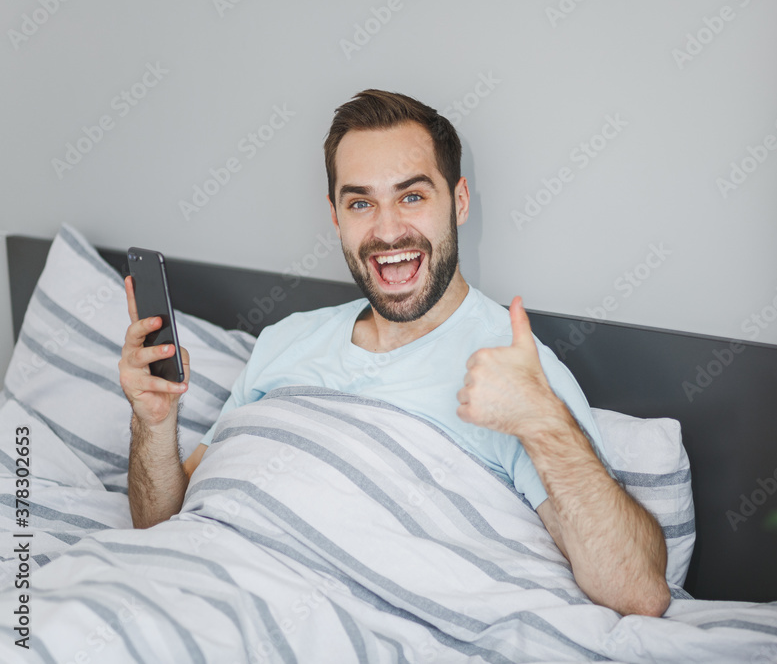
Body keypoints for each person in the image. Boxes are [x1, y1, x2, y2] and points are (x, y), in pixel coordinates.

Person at [118, 89, 672, 618]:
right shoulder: (284, 342)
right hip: (197, 590)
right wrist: (153, 423)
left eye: (412, 196)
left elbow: (638, 594)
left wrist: (543, 422)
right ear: (336, 216)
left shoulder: (516, 366)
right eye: (361, 202)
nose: (387, 231)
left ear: (457, 202)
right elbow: (161, 525)